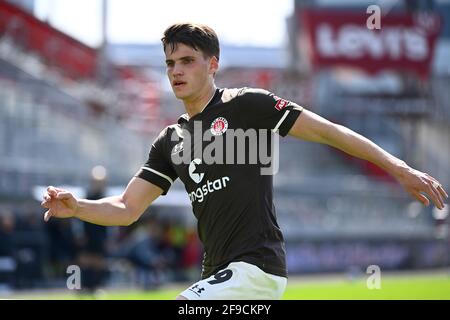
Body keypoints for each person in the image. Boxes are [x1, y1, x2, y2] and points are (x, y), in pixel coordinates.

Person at [41, 23, 448, 300]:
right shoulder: (169, 141)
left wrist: (399, 167)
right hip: (218, 276)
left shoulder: (248, 105)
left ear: (212, 64)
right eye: (169, 63)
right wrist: (78, 207)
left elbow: (327, 131)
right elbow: (127, 208)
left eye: (187, 61)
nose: (175, 71)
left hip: (256, 268)